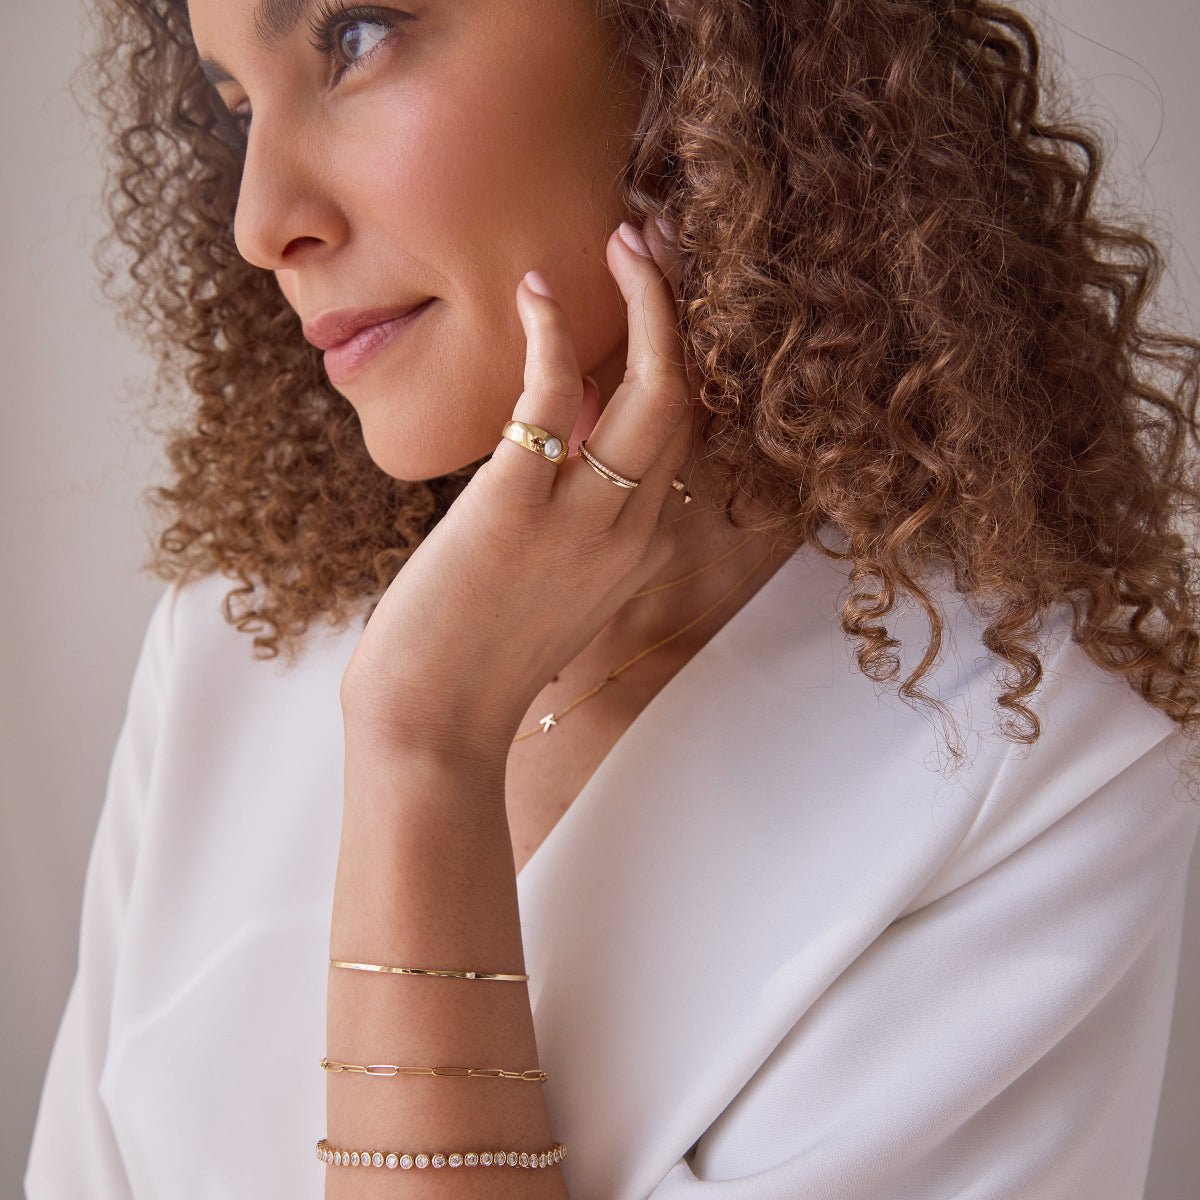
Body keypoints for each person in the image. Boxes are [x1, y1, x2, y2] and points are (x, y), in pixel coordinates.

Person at [25, 0, 1200, 1196]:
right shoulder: (224, 648)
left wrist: (424, 747)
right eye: (236, 106)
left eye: (356, 35)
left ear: (684, 44)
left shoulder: (1038, 771)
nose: (260, 221)